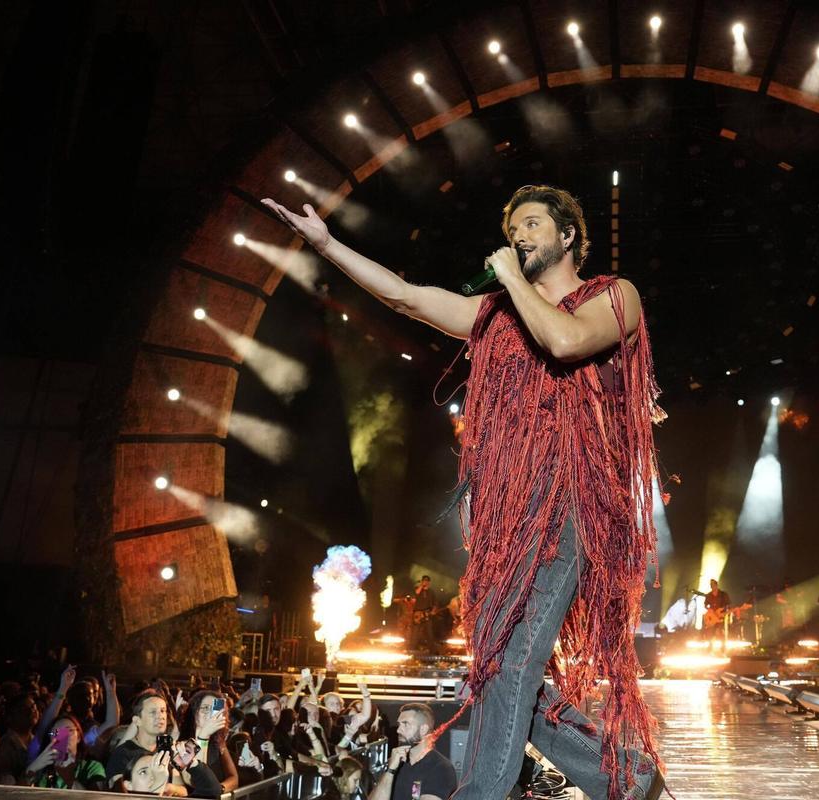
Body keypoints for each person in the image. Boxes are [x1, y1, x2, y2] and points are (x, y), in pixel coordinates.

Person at [264, 184, 665, 800]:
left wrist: (511, 280)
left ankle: (482, 792)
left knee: (515, 662)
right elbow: (406, 297)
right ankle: (624, 775)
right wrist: (326, 244)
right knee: (494, 666)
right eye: (513, 230)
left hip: (573, 502)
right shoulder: (496, 316)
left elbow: (564, 341)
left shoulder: (615, 296)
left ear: (568, 237)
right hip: (509, 516)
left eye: (533, 224)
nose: (520, 236)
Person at [368, 704, 456, 800]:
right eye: (399, 724)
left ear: (423, 729)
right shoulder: (394, 763)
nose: (398, 730)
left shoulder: (440, 767)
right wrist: (390, 770)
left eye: (405, 724)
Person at [408, 575, 438, 653]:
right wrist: (421, 586)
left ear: (429, 582)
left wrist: (434, 610)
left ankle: (432, 651)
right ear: (422, 581)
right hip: (418, 615)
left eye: (427, 581)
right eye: (424, 581)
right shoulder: (417, 589)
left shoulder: (431, 592)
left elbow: (435, 603)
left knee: (429, 633)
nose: (425, 582)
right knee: (415, 633)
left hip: (427, 615)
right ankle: (411, 650)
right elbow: (416, 594)